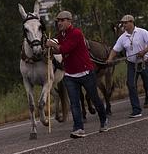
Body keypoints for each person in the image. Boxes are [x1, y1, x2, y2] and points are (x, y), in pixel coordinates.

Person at [45, 10, 109, 138]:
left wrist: (52, 44)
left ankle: (104, 120)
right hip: (70, 74)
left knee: (95, 99)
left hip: (85, 72)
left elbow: (64, 49)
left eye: (62, 20)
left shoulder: (76, 33)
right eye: (58, 21)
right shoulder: (60, 35)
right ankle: (78, 128)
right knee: (74, 103)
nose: (59, 23)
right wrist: (48, 47)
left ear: (69, 21)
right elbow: (57, 48)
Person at [107, 14, 148, 117]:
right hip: (132, 64)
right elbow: (115, 49)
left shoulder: (142, 32)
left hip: (144, 62)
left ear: (131, 22)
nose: (123, 25)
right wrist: (110, 59)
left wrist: (144, 51)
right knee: (131, 85)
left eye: (125, 23)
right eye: (123, 23)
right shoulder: (122, 37)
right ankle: (136, 110)